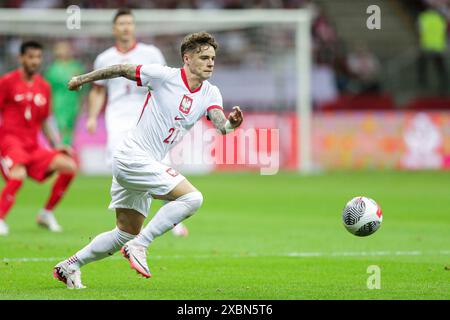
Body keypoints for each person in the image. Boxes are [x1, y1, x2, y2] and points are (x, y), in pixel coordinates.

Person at [53, 32, 244, 289]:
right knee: (192, 198)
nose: (210, 63)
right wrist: (82, 79)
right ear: (187, 58)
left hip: (145, 163)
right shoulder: (164, 76)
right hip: (133, 156)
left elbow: (220, 125)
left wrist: (231, 125)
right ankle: (141, 245)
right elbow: (121, 69)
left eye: (212, 58)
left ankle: (70, 266)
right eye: (204, 57)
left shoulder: (211, 93)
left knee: (124, 232)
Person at [87, 8, 188, 237]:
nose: (126, 27)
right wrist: (93, 116)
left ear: (134, 27)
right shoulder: (104, 58)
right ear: (114, 28)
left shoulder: (150, 53)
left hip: (147, 118)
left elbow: (166, 83)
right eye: (121, 23)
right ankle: (124, 218)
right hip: (117, 118)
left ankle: (172, 218)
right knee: (121, 166)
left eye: (129, 23)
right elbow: (97, 91)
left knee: (162, 164)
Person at [0, 41, 78, 236]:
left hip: (32, 146)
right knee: (18, 175)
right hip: (10, 142)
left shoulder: (44, 86)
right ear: (21, 58)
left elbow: (45, 120)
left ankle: (46, 213)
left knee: (69, 166)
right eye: (31, 57)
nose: (35, 61)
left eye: (38, 57)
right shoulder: (7, 82)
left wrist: (57, 145)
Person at [44, 41, 85, 146]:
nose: (63, 51)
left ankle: (67, 148)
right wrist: (49, 106)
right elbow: (48, 89)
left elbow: (83, 88)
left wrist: (81, 103)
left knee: (70, 129)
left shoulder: (76, 67)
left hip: (72, 103)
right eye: (60, 49)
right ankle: (61, 149)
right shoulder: (53, 69)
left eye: (66, 48)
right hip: (58, 104)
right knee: (60, 128)